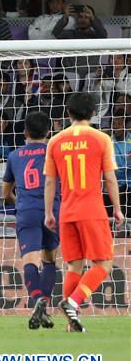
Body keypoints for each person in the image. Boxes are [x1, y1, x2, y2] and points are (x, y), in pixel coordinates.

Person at [43, 93, 124, 332]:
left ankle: (71, 324)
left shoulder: (56, 141)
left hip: (67, 211)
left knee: (74, 267)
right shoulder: (101, 139)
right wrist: (117, 209)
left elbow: (50, 182)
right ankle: (73, 302)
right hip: (92, 210)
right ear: (93, 113)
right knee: (103, 264)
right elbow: (109, 178)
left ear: (69, 113)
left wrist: (49, 212)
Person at [2, 111, 59, 329]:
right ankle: (43, 304)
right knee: (49, 260)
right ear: (48, 132)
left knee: (29, 261)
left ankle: (36, 301)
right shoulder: (55, 153)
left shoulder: (14, 156)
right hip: (52, 211)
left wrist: (20, 203)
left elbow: (5, 193)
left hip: (26, 212)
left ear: (24, 132)